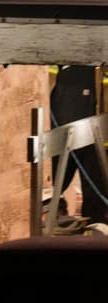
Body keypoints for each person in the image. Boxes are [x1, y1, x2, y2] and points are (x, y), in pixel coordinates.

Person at [49, 65, 108, 223]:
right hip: (63, 127)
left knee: (97, 193)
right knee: (54, 181)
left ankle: (97, 227)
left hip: (97, 133)